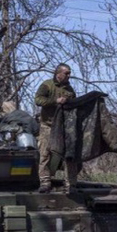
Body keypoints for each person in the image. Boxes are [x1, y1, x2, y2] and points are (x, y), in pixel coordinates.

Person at [34, 63, 77, 193]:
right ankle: (45, 182)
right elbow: (38, 100)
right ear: (58, 73)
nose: (69, 75)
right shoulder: (47, 85)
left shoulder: (69, 89)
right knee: (45, 154)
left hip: (64, 126)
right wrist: (55, 101)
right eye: (66, 73)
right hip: (48, 125)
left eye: (69, 73)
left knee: (69, 155)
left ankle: (70, 184)